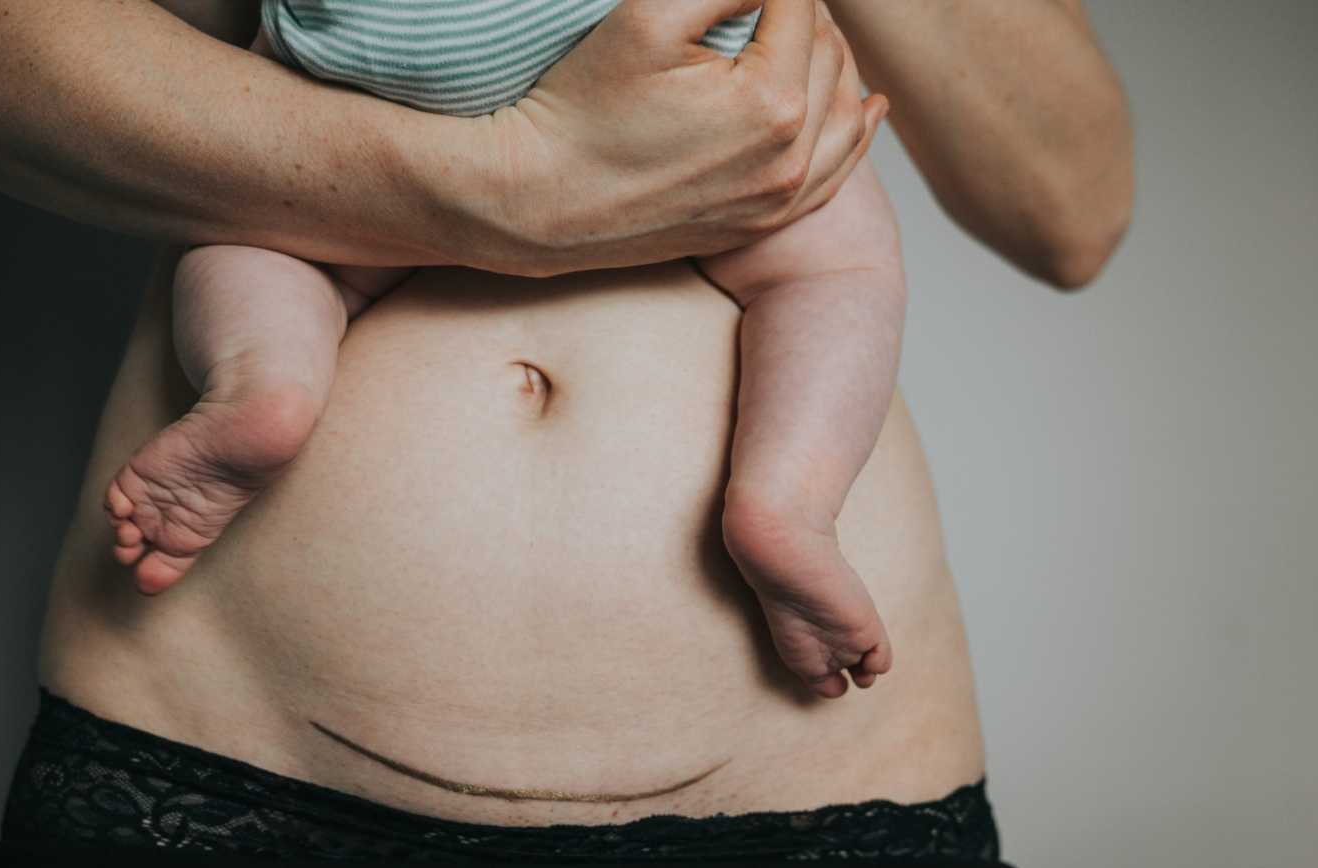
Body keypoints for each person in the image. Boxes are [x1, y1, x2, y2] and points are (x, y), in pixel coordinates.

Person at [0, 1, 1132, 868]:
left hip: (813, 838)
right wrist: (504, 179)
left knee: (265, 268)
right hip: (219, 805)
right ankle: (760, 499)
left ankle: (267, 379)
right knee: (828, 262)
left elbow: (1068, 204)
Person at [108, 1, 907, 698]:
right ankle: (789, 501)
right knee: (837, 270)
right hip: (672, 66)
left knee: (263, 238)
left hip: (392, 52)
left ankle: (263, 378)